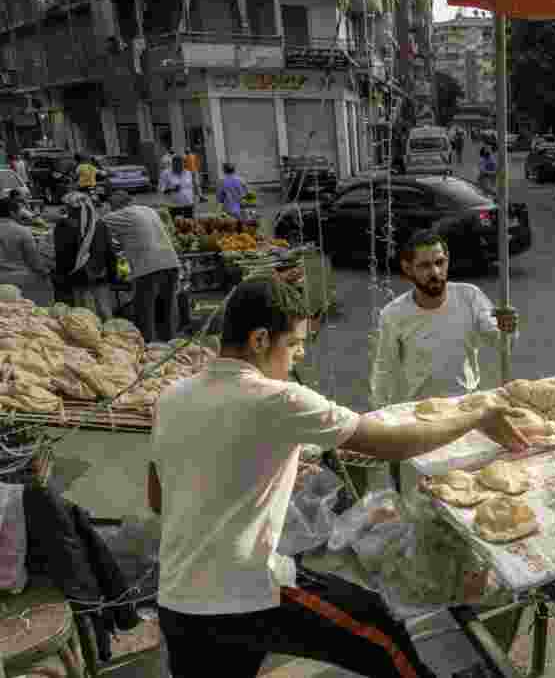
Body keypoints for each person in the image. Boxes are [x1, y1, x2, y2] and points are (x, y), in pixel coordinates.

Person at [149, 276, 529, 678]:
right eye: (293, 344)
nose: (297, 357)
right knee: (382, 637)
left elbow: (160, 498)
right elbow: (395, 444)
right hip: (247, 595)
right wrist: (477, 416)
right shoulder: (279, 399)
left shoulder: (171, 398)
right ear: (260, 340)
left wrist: (260, 477)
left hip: (178, 602)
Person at [370, 229, 518, 410]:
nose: (435, 272)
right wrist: (379, 412)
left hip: (466, 407)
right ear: (408, 269)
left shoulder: (470, 296)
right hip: (421, 412)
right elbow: (385, 368)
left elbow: (502, 344)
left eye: (440, 263)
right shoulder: (393, 314)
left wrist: (509, 329)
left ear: (448, 261)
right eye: (424, 265)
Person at [102, 191, 181, 342]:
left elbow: (97, 224)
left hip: (148, 267)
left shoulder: (120, 214)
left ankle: (147, 349)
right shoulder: (148, 210)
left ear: (114, 206)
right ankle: (171, 345)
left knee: (144, 312)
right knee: (167, 310)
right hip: (171, 262)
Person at [53, 193, 118, 321]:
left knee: (84, 315)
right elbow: (110, 252)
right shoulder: (99, 224)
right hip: (99, 274)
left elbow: (61, 254)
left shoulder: (63, 226)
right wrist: (113, 274)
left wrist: (62, 277)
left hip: (77, 276)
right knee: (104, 309)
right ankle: (112, 337)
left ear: (69, 208)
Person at [0, 197, 52, 305]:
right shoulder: (22, 231)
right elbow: (34, 262)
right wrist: (46, 272)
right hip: (19, 279)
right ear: (12, 213)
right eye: (19, 211)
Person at [158, 155, 195, 220]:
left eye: (181, 164)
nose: (180, 166)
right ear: (173, 164)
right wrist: (172, 189)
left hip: (188, 205)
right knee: (173, 226)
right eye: (177, 164)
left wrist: (193, 200)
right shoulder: (165, 174)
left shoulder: (188, 173)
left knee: (189, 225)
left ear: (184, 163)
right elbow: (161, 190)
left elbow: (190, 188)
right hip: (173, 206)